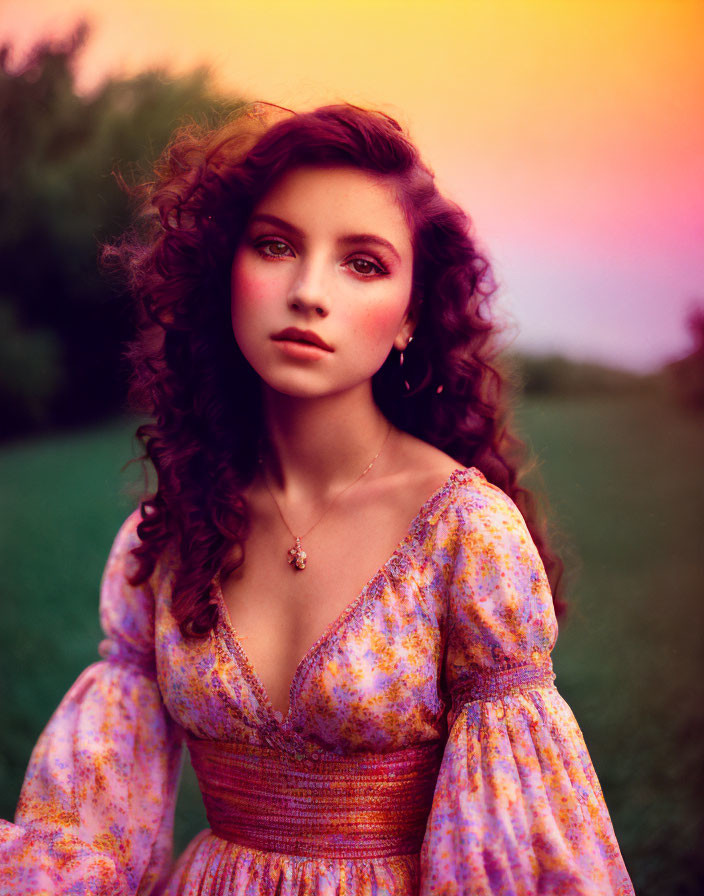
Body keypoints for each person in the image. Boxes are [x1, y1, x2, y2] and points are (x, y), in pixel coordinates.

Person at [0, 102, 635, 895]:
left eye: (362, 263)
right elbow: (87, 831)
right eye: (275, 246)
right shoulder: (161, 537)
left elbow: (515, 860)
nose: (307, 291)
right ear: (224, 274)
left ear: (409, 318)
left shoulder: (466, 534)